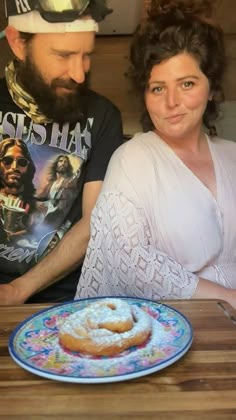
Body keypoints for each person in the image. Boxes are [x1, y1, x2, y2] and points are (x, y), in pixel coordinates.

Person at [75, 0, 236, 308]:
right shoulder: (131, 160)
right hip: (167, 336)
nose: (172, 102)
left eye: (187, 83)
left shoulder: (233, 157)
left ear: (211, 87)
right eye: (158, 88)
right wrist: (226, 296)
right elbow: (130, 265)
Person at [0, 0, 123, 304]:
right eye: (63, 55)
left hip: (65, 299)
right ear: (18, 43)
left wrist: (18, 290)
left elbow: (94, 222)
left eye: (86, 55)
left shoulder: (103, 116)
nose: (79, 74)